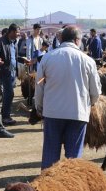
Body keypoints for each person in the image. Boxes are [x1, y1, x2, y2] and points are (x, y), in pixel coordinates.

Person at [34, 26, 101, 169]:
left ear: (61, 39)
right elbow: (95, 92)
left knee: (50, 156)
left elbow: (39, 85)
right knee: (73, 159)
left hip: (52, 113)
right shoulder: (88, 61)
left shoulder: (47, 58)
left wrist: (39, 107)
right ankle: (71, 189)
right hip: (77, 114)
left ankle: (47, 187)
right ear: (78, 40)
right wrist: (90, 104)